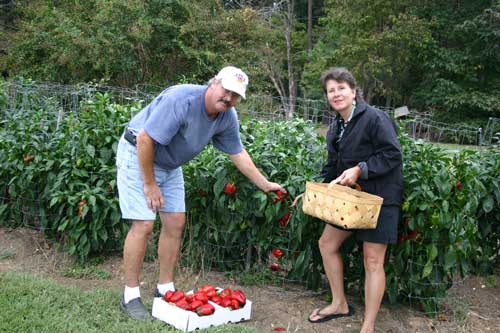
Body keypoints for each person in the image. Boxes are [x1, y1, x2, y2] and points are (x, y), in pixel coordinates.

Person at [116, 66, 286, 320]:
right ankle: (130, 296)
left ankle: (165, 290)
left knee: (175, 222)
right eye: (226, 90)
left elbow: (236, 152)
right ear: (213, 83)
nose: (229, 98)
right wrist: (150, 184)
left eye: (235, 95)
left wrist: (264, 184)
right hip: (138, 154)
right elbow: (144, 139)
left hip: (170, 164)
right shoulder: (181, 100)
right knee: (143, 224)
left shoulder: (226, 117)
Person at [307, 67, 403, 333]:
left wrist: (361, 169)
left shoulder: (374, 118)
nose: (336, 94)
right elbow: (332, 166)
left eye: (341, 88)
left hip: (381, 198)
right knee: (327, 243)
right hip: (350, 202)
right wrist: (317, 191)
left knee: (372, 260)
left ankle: (368, 325)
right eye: (331, 90)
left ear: (353, 92)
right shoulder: (336, 127)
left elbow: (392, 155)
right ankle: (339, 303)